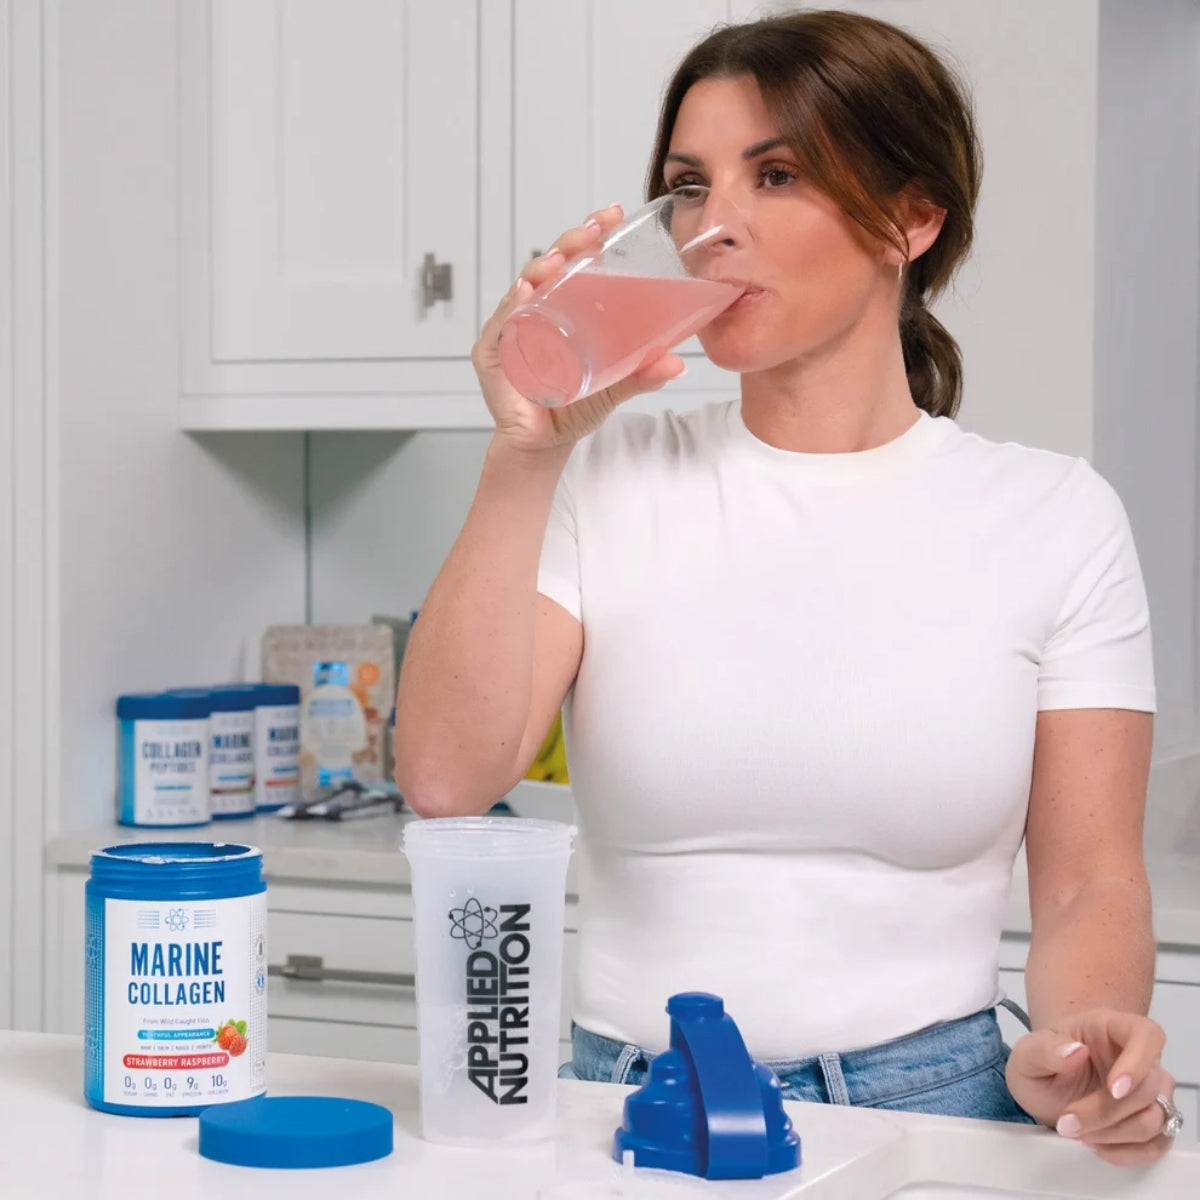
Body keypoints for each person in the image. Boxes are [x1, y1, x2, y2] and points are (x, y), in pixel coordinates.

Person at [394, 9, 1180, 1165]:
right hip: (625, 1113)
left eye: (776, 175)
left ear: (912, 218)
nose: (715, 228)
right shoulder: (601, 475)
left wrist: (1079, 1050)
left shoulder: (1055, 517)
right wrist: (525, 454)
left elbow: (1088, 886)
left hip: (937, 1115)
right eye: (689, 185)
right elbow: (448, 780)